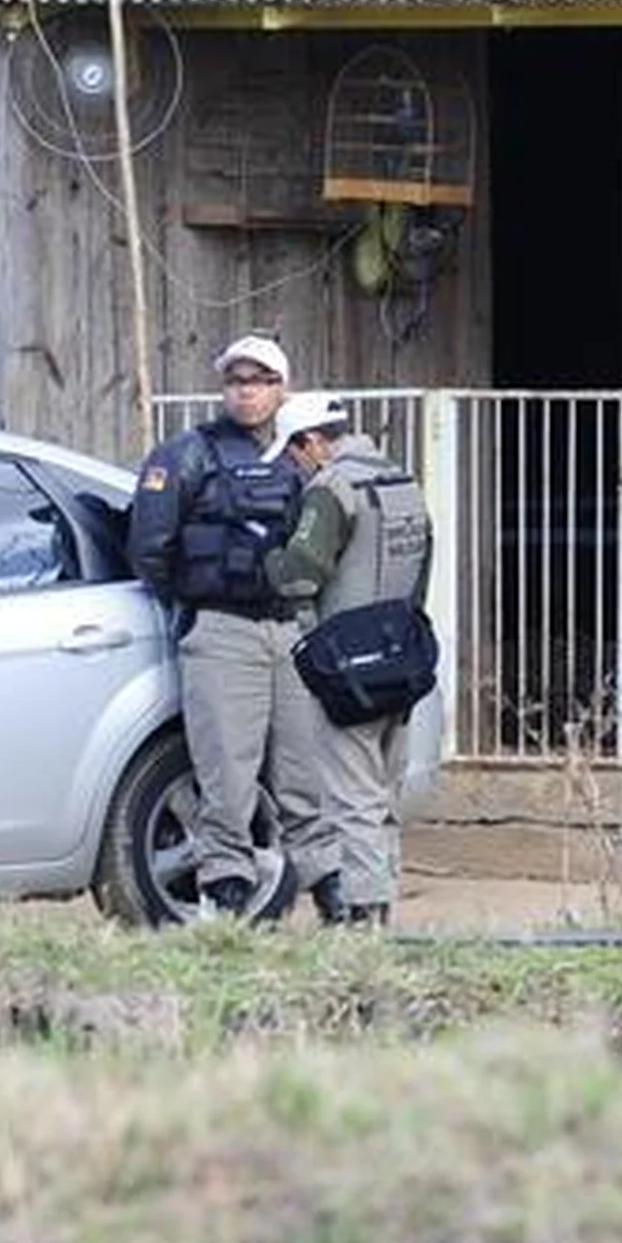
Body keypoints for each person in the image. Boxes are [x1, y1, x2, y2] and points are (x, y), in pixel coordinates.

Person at [125, 332, 305, 919]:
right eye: (236, 380)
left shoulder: (298, 456)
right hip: (222, 628)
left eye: (259, 381)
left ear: (283, 390)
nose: (246, 391)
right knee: (225, 771)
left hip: (288, 631)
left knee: (303, 774)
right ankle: (224, 896)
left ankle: (324, 899)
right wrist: (195, 604)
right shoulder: (187, 454)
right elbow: (150, 547)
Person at [266, 394, 435, 925]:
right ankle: (383, 912)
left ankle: (364, 919)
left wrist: (268, 557)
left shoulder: (332, 488)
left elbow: (299, 573)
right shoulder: (405, 482)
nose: (295, 467)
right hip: (403, 659)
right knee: (384, 796)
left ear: (312, 441)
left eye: (294, 454)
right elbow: (422, 572)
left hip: (349, 667)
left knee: (354, 798)